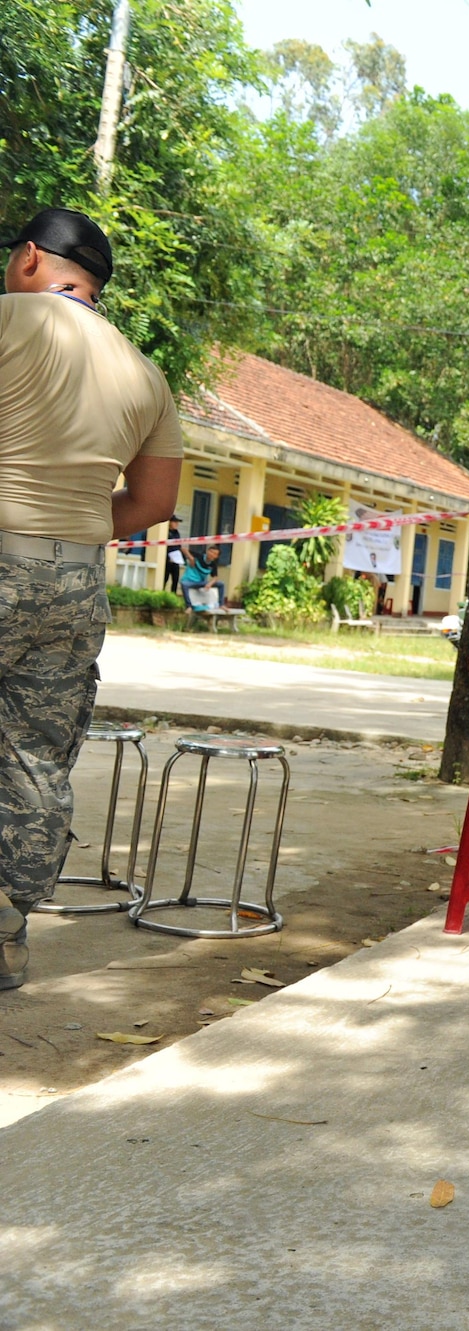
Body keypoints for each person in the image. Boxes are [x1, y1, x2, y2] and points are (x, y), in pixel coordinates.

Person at [0, 206, 181, 988]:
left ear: (31, 259)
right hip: (73, 583)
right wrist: (70, 521)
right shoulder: (143, 372)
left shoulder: (7, 321)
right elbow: (154, 501)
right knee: (35, 761)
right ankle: (5, 934)